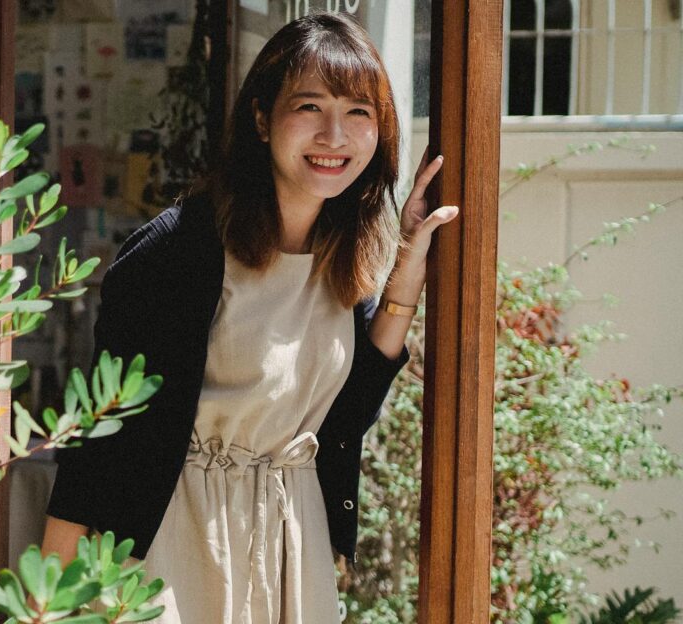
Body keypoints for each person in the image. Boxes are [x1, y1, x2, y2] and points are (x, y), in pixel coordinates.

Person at [41, 12, 459, 623]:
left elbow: (345, 416)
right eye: (311, 107)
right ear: (263, 119)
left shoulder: (347, 257)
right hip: (176, 537)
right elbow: (102, 438)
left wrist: (408, 263)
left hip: (291, 542)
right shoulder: (179, 252)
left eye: (358, 113)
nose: (334, 135)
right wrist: (46, 602)